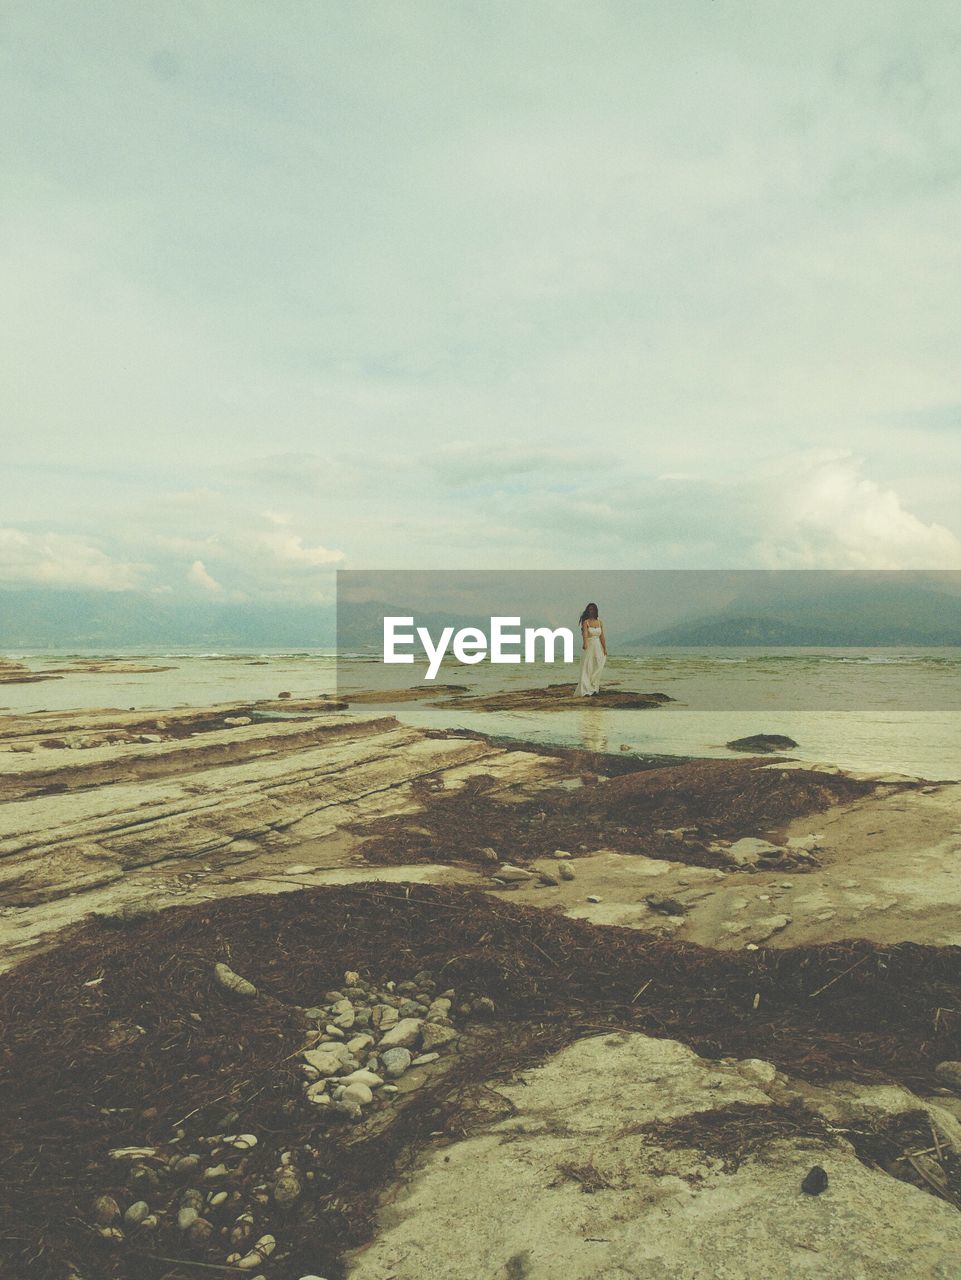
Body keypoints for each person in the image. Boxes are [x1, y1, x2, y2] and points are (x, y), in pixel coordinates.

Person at [576, 602, 607, 696]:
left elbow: (602, 636)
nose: (591, 611)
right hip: (589, 645)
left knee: (597, 666)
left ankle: (593, 688)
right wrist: (585, 643)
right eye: (589, 609)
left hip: (598, 646)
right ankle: (585, 690)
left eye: (593, 609)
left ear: (596, 611)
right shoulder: (586, 622)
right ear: (587, 611)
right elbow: (585, 633)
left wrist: (604, 648)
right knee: (587, 667)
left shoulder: (600, 622)